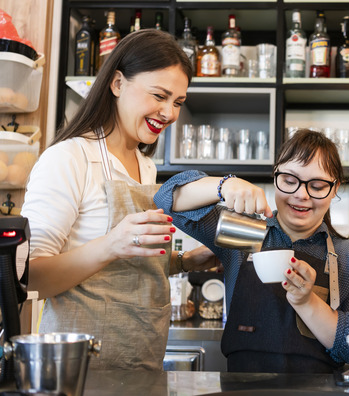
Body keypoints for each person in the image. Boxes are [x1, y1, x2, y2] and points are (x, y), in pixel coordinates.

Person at [20, 29, 216, 371]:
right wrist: (111, 243)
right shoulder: (69, 158)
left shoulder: (145, 166)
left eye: (178, 102)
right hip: (77, 367)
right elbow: (29, 275)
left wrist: (185, 261)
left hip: (139, 359)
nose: (169, 113)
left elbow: (124, 269)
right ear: (117, 84)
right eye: (159, 95)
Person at [154, 129, 349, 373]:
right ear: (275, 177)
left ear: (334, 189)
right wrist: (225, 185)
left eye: (317, 185)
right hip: (241, 391)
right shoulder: (241, 232)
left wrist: (306, 301)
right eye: (290, 181)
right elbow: (165, 198)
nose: (301, 195)